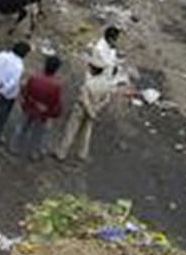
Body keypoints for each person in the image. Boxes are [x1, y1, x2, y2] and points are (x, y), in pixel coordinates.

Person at [56, 26, 124, 162]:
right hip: (96, 95)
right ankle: (78, 154)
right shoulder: (99, 50)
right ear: (111, 38)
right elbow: (105, 98)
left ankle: (63, 153)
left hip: (89, 100)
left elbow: (85, 98)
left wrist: (91, 110)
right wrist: (94, 110)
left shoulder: (108, 52)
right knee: (85, 128)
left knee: (75, 128)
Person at [11, 55, 63, 160]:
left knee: (21, 127)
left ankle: (14, 146)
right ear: (56, 69)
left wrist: (27, 102)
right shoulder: (56, 86)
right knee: (38, 133)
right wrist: (52, 113)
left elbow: (25, 92)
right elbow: (56, 104)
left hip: (29, 107)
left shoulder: (34, 78)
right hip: (43, 113)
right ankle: (33, 153)